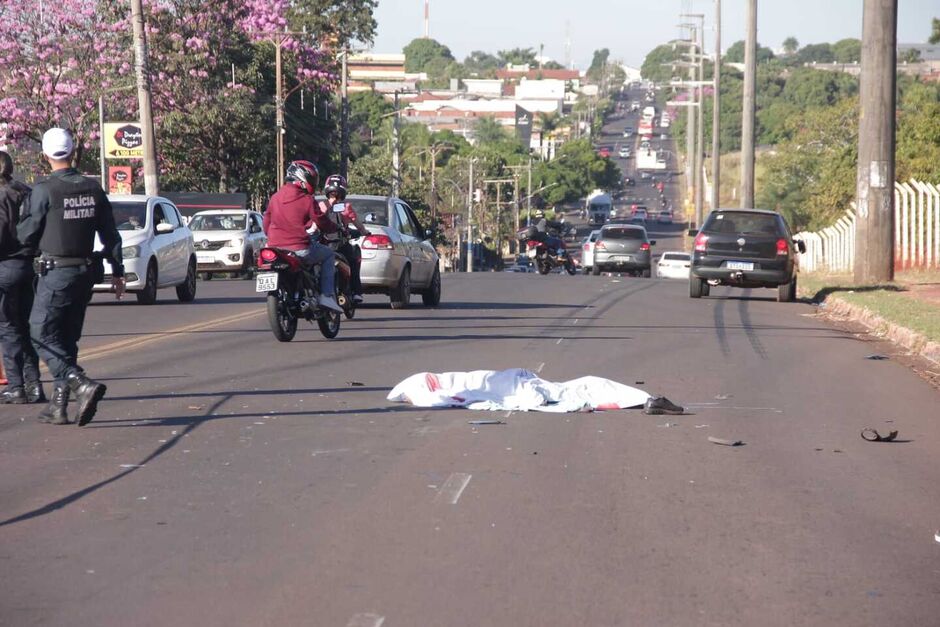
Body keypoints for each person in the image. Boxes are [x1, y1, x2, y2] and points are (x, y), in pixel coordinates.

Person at [17, 128, 126, 426]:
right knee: (66, 337)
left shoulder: (44, 190)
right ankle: (59, 405)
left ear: (45, 155)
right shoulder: (93, 189)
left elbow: (27, 234)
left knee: (39, 332)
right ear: (72, 152)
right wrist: (118, 271)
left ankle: (80, 382)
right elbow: (110, 234)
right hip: (86, 272)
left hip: (56, 272)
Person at [261, 160, 343, 313]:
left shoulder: (275, 197)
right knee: (328, 255)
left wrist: (274, 238)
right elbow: (321, 220)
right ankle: (326, 295)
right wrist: (335, 228)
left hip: (274, 248)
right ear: (302, 178)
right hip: (300, 249)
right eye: (312, 179)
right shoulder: (306, 200)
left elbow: (266, 224)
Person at [0, 150, 44, 405]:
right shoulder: (26, 192)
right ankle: (34, 385)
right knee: (25, 325)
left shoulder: (4, 195)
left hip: (7, 264)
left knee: (8, 328)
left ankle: (17, 387)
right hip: (28, 265)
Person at [319, 174, 370, 302]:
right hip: (341, 246)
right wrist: (364, 232)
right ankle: (356, 292)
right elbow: (359, 226)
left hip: (324, 245)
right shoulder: (346, 207)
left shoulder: (321, 206)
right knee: (354, 261)